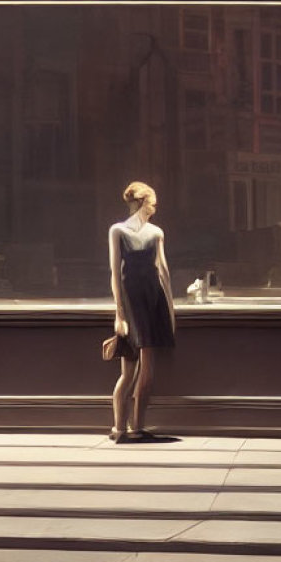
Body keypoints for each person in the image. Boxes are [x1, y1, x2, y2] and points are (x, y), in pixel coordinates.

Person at [107, 181, 175, 442]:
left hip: (152, 299)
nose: (154, 208)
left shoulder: (157, 232)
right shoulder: (118, 231)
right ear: (142, 203)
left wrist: (169, 308)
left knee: (146, 370)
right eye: (152, 203)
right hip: (132, 300)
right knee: (129, 371)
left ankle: (136, 426)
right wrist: (119, 314)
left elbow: (163, 271)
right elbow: (115, 273)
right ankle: (120, 427)